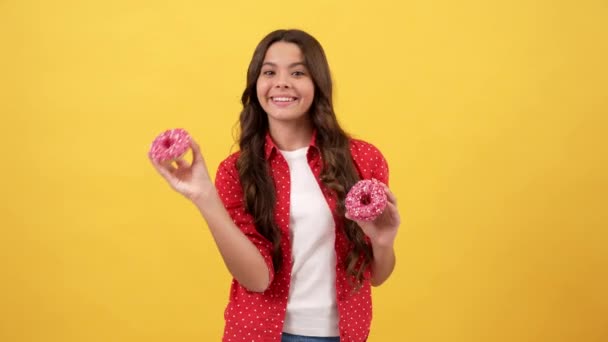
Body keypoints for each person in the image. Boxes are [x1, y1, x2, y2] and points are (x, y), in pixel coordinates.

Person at [150, 29, 401, 342]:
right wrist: (204, 197)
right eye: (269, 72)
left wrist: (383, 241)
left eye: (297, 72)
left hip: (343, 334)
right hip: (260, 333)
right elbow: (257, 279)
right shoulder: (236, 172)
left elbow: (377, 276)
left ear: (317, 84)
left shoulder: (363, 159)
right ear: (256, 84)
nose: (281, 82)